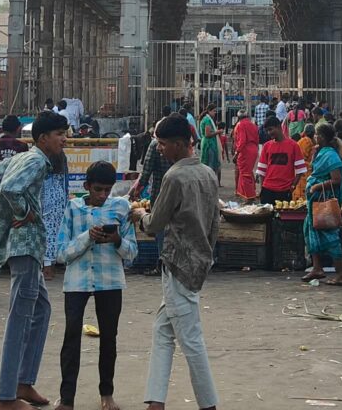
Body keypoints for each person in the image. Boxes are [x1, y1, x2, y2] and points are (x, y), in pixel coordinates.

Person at [130, 113, 219, 410]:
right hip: (198, 260)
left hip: (178, 263)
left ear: (181, 144)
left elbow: (155, 223)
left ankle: (209, 404)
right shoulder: (207, 173)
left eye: (163, 144)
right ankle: (155, 401)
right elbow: (214, 224)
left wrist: (140, 215)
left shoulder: (175, 176)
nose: (160, 149)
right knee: (163, 330)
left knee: (191, 340)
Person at [0, 110, 68, 410]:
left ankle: (23, 382)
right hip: (26, 245)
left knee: (41, 310)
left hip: (25, 246)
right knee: (20, 318)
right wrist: (22, 213)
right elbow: (8, 188)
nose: (64, 140)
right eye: (60, 135)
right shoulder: (35, 160)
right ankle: (6, 397)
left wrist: (11, 212)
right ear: (44, 138)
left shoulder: (25, 156)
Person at [55, 160, 137, 410]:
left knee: (109, 338)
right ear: (87, 186)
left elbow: (132, 253)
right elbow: (61, 253)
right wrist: (87, 238)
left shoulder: (122, 208)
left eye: (107, 190)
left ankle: (107, 394)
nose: (103, 195)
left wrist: (116, 240)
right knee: (71, 339)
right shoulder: (73, 208)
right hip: (77, 282)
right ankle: (67, 398)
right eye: (98, 189)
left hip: (110, 281)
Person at [301, 122, 342, 285]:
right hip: (314, 202)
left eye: (316, 135)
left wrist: (316, 186)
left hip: (323, 201)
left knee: (330, 236)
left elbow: (336, 180)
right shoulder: (321, 152)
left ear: (322, 137)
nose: (314, 137)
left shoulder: (331, 156)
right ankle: (317, 268)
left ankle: (341, 274)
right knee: (310, 231)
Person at [0, 115, 28, 280]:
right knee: (17, 229)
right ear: (18, 129)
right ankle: (14, 265)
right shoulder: (22, 146)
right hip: (17, 194)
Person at [129, 112, 172, 273]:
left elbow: (145, 174)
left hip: (159, 195)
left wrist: (133, 192)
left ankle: (162, 265)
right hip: (177, 198)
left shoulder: (155, 145)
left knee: (160, 230)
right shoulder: (177, 145)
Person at [256, 115, 307, 204]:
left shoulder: (294, 146)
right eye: (267, 130)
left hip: (285, 191)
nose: (269, 133)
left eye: (271, 129)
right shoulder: (266, 146)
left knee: (283, 217)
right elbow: (261, 171)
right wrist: (262, 188)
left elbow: (301, 170)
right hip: (267, 189)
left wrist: (293, 186)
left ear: (279, 127)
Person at [42, 150, 69, 279]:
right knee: (56, 233)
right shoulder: (62, 159)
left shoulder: (43, 166)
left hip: (46, 201)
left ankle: (47, 268)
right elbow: (66, 183)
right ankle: (51, 266)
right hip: (59, 200)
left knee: (48, 234)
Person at [232, 109, 260, 201]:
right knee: (248, 172)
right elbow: (256, 139)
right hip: (254, 149)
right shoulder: (253, 125)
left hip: (245, 151)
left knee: (244, 173)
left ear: (238, 117)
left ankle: (250, 196)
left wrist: (236, 153)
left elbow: (242, 141)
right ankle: (251, 192)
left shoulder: (240, 125)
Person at [292, 123, 316, 201]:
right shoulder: (309, 141)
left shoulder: (305, 141)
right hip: (306, 171)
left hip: (302, 170)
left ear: (304, 132)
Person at [198, 104, 221, 178]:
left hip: (209, 142)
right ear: (209, 111)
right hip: (209, 144)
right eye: (214, 111)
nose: (215, 113)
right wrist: (218, 132)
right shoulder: (207, 120)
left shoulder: (207, 119)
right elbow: (207, 134)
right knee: (210, 164)